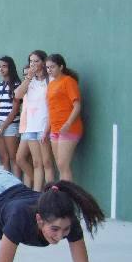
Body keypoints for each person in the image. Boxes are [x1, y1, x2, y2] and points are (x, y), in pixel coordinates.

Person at [15, 51, 54, 191]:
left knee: (47, 163)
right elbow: (18, 95)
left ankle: (51, 194)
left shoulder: (50, 80)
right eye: (31, 61)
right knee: (37, 163)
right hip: (31, 127)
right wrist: (28, 78)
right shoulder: (30, 81)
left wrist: (47, 129)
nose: (33, 64)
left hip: (44, 126)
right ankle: (38, 194)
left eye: (36, 61)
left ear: (44, 63)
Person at [46, 54, 83, 182]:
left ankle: (67, 197)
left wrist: (68, 123)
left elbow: (77, 106)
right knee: (60, 166)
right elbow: (51, 108)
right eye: (47, 67)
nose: (49, 70)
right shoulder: (51, 85)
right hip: (55, 129)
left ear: (61, 67)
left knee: (63, 165)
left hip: (69, 128)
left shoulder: (68, 81)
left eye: (52, 67)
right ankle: (62, 196)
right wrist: (48, 129)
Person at [0, 56, 22, 177]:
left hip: (11, 125)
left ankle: (17, 187)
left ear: (10, 67)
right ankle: (7, 187)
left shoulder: (17, 84)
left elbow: (14, 110)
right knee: (3, 158)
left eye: (4, 66)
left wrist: (2, 127)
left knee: (14, 158)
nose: (1, 69)